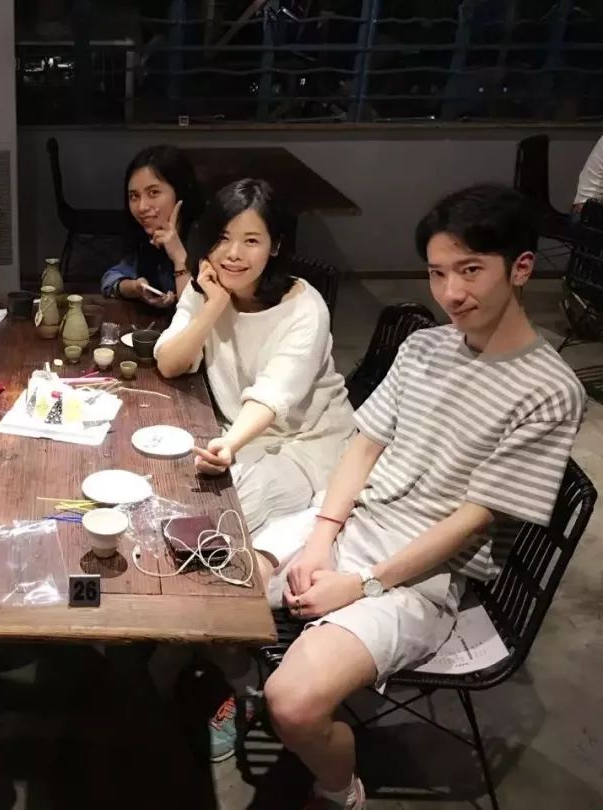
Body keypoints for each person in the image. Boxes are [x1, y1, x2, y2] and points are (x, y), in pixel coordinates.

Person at [229, 185, 585, 809]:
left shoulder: (549, 391)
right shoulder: (424, 346)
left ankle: (339, 787)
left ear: (521, 268)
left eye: (471, 270)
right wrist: (321, 538)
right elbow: (363, 446)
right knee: (215, 595)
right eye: (438, 272)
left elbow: (473, 519)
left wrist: (361, 584)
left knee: (293, 702)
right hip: (348, 525)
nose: (451, 292)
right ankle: (231, 696)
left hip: (420, 578)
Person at [155, 178, 354, 536]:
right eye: (223, 238)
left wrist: (230, 445)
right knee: (165, 486)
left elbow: (272, 395)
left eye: (251, 241)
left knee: (219, 517)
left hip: (303, 443)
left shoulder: (305, 308)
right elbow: (170, 363)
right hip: (234, 432)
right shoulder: (209, 287)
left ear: (275, 246)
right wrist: (214, 306)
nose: (233, 254)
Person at [101, 144, 206, 308]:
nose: (142, 207)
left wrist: (179, 258)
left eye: (153, 193)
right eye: (134, 196)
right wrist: (135, 288)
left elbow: (196, 312)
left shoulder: (210, 238)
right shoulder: (146, 237)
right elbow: (110, 279)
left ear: (180, 192)